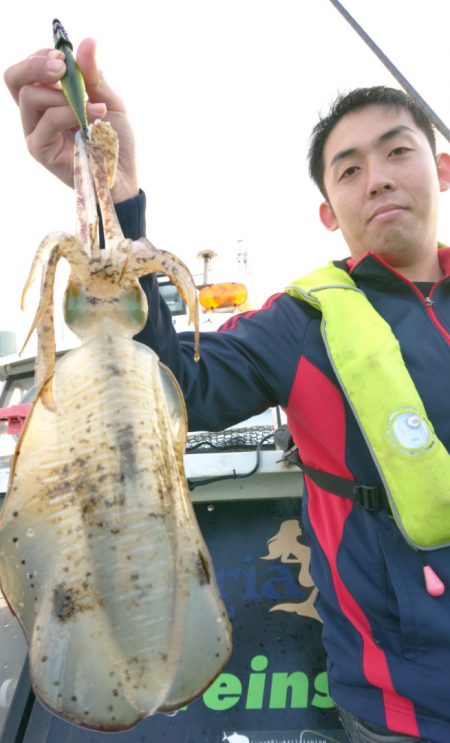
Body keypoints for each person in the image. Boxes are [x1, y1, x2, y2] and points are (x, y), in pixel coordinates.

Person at [5, 39, 450, 743]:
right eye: (350, 168)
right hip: (402, 714)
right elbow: (178, 380)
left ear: (442, 166)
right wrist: (115, 194)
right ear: (328, 211)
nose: (378, 179)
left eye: (398, 152)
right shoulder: (302, 324)